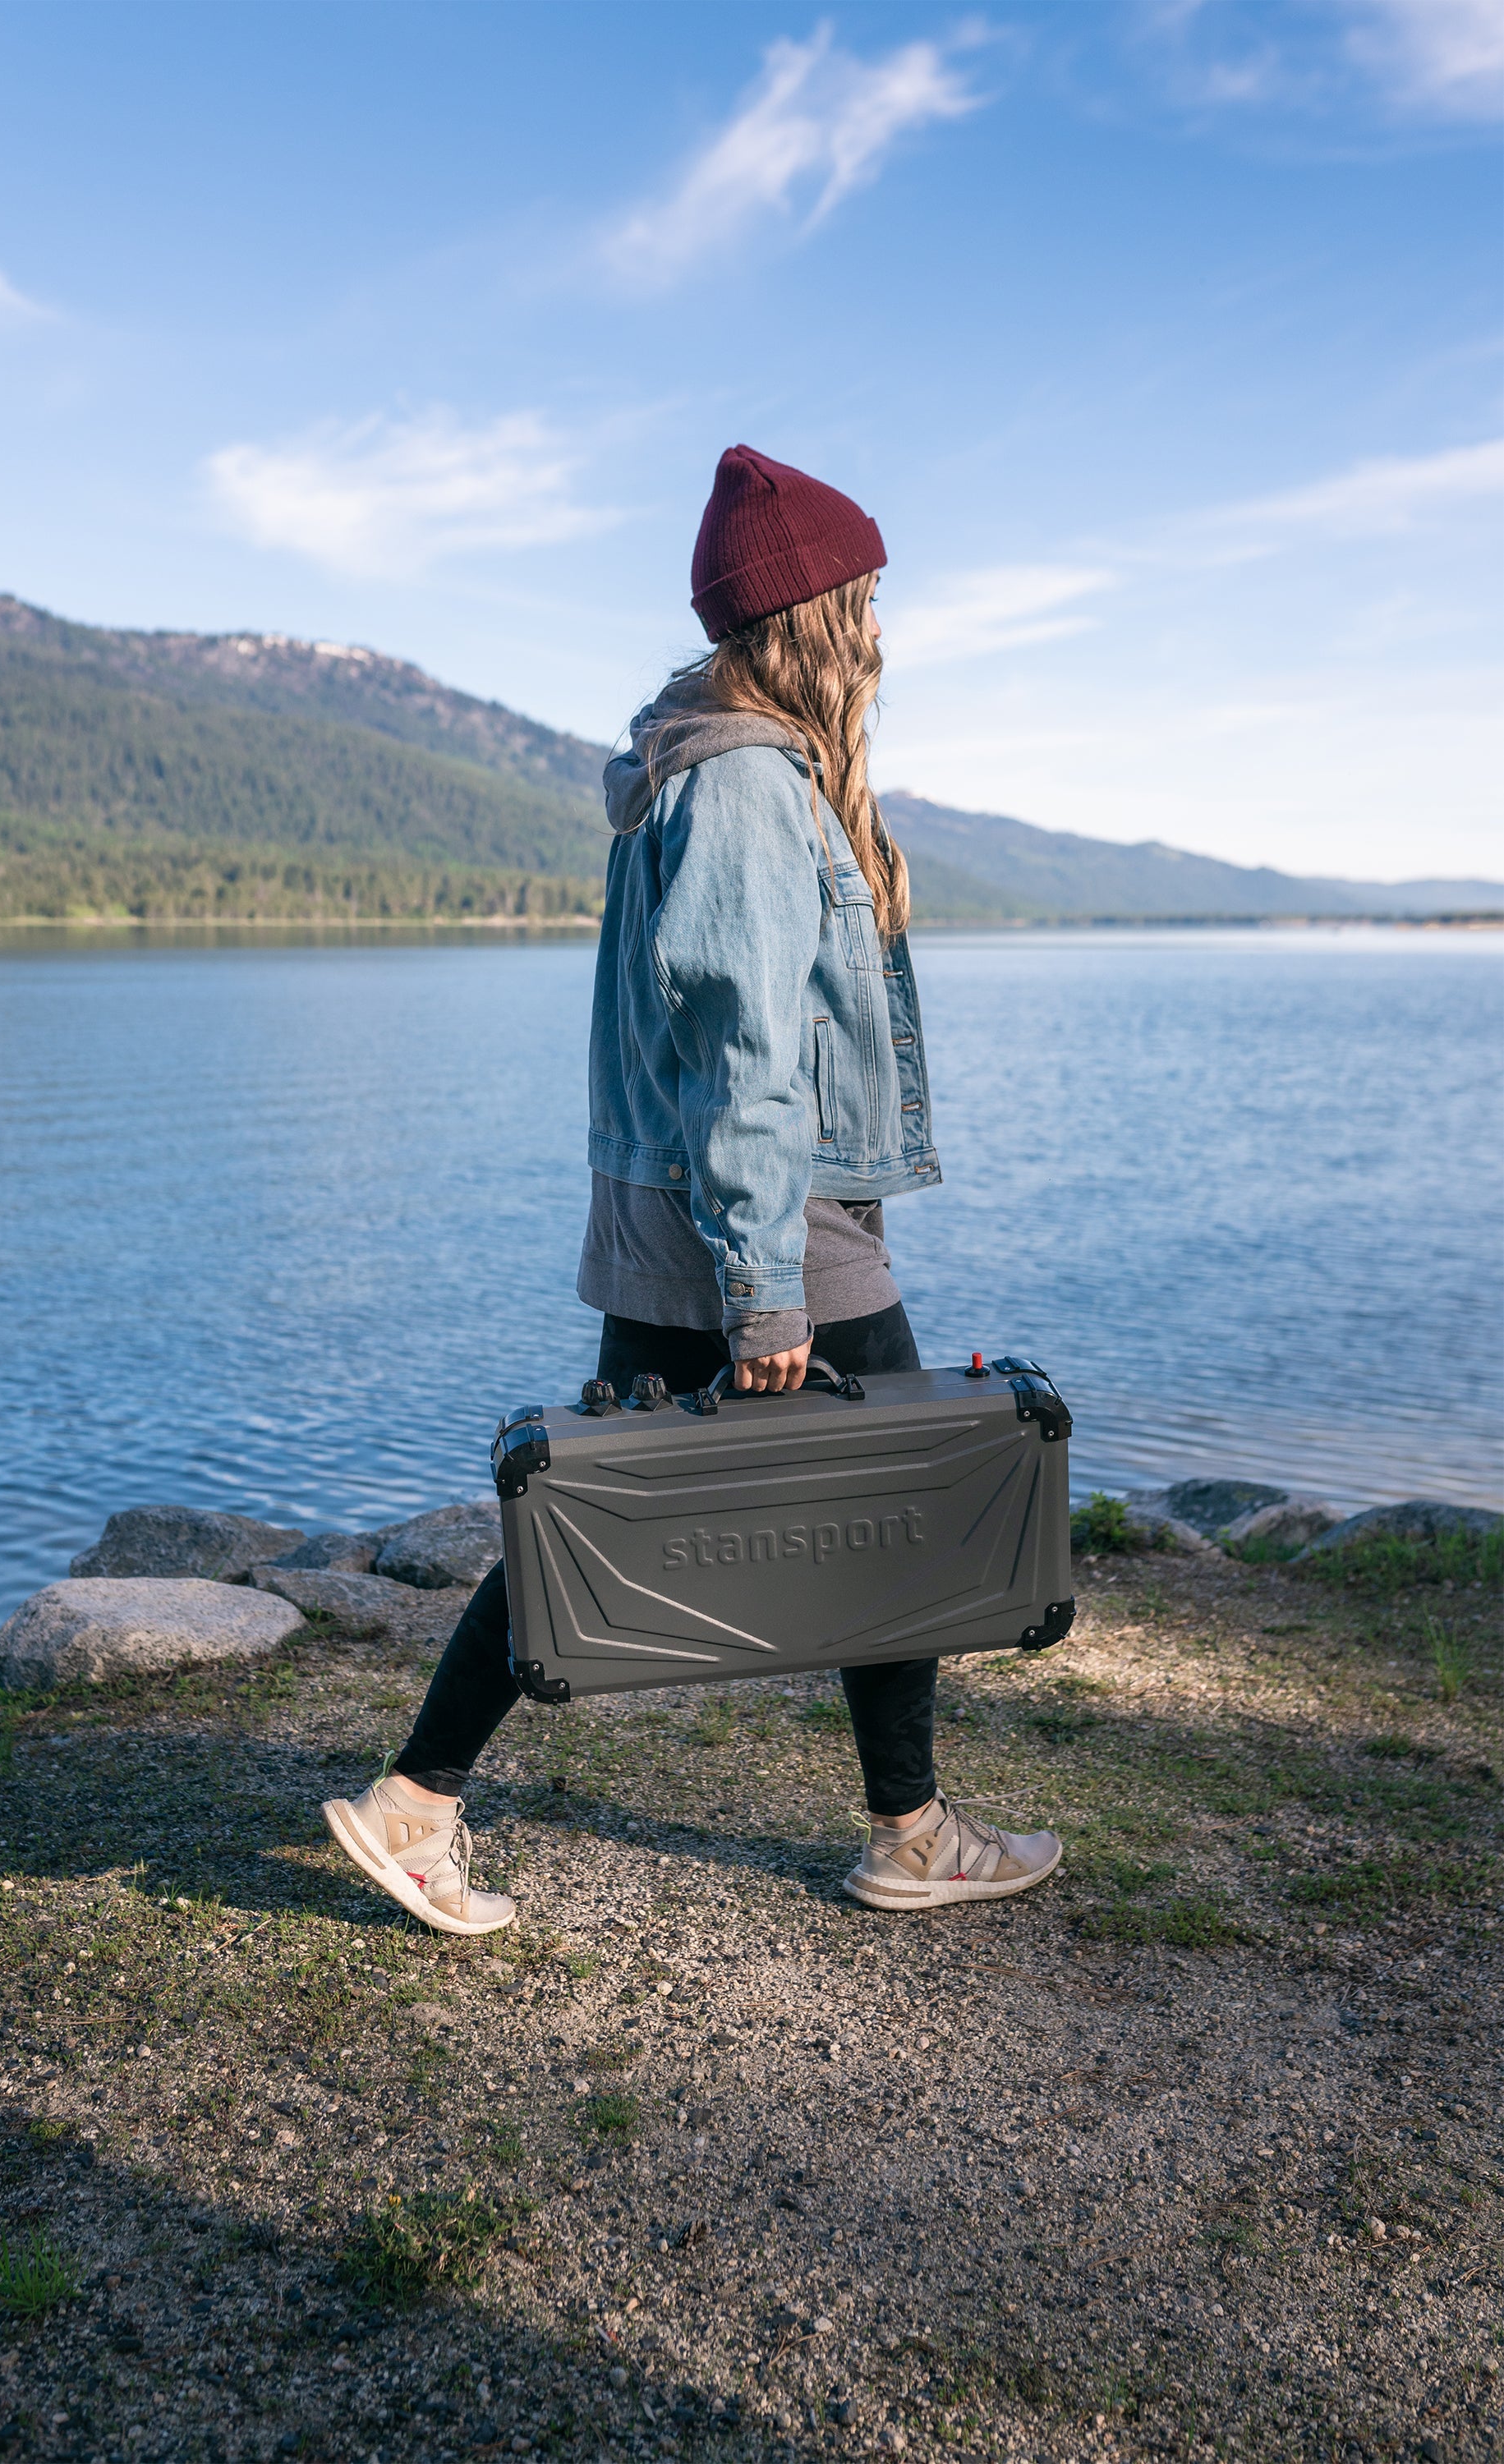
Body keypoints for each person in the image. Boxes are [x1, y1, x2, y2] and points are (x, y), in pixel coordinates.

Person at [322, 444, 1063, 1934]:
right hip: (764, 1219)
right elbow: (740, 1048)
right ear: (817, 619)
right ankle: (905, 1832)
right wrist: (765, 1282)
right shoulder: (740, 782)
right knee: (898, 1508)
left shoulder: (729, 765)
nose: (877, 631)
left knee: (603, 1511)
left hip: (712, 1211)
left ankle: (418, 1803)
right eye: (863, 601)